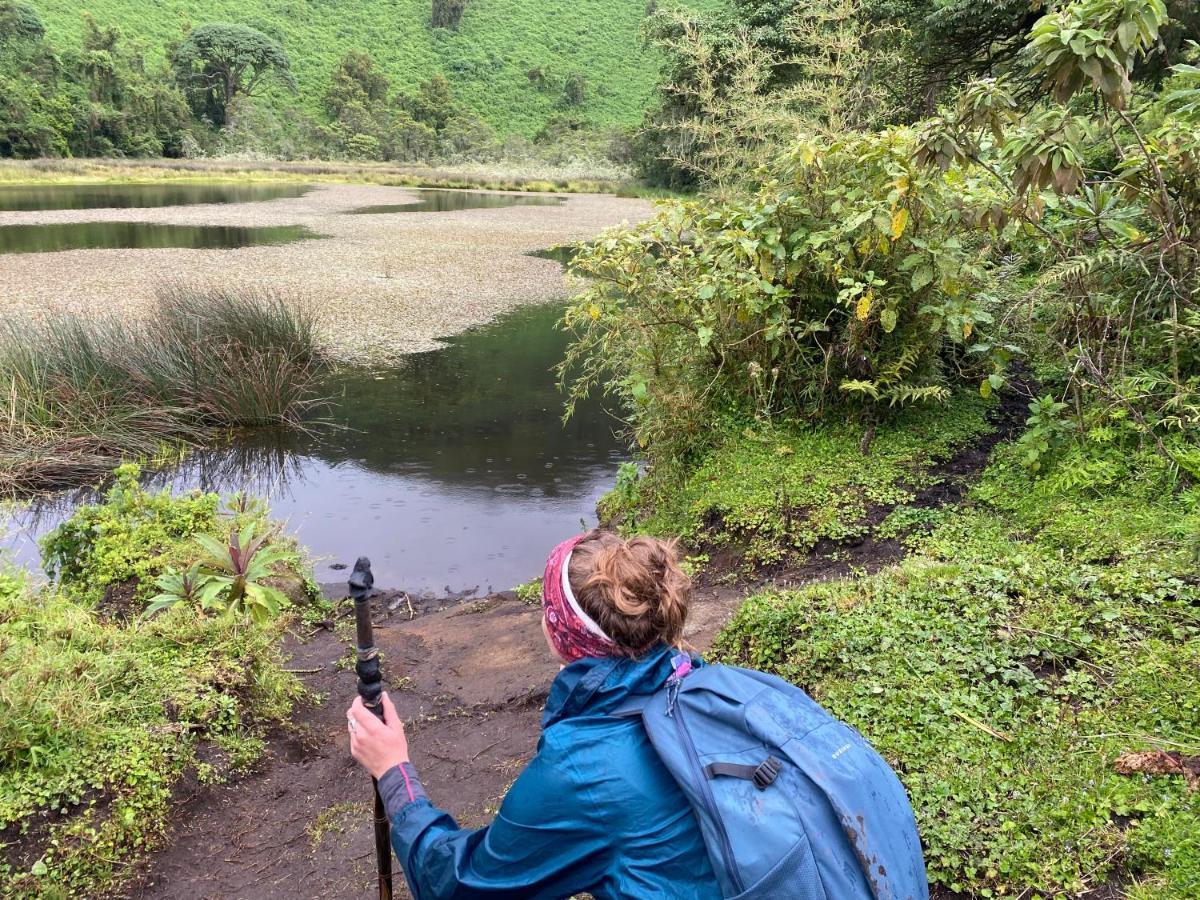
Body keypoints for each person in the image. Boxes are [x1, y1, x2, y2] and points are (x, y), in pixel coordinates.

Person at [346, 530, 720, 899]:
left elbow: (459, 886)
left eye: (546, 606)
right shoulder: (711, 686)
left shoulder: (580, 772)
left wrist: (393, 772)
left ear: (560, 631)